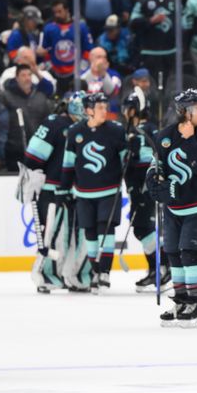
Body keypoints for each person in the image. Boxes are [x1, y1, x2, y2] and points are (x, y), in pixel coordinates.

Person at [145, 89, 197, 327]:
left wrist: (188, 140)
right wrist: (153, 181)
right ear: (182, 111)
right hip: (174, 206)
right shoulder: (164, 135)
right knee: (173, 253)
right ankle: (181, 300)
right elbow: (155, 164)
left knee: (190, 252)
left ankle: (196, 306)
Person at [60, 92, 127, 293]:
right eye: (99, 108)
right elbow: (68, 163)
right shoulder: (75, 132)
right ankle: (95, 271)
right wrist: (63, 188)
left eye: (105, 107)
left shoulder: (115, 131)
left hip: (109, 191)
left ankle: (105, 272)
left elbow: (126, 160)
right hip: (84, 193)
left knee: (104, 229)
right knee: (89, 232)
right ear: (88, 110)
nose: (104, 111)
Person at [21, 92, 85, 293]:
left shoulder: (84, 128)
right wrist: (34, 177)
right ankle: (45, 275)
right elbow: (32, 157)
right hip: (51, 191)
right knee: (51, 236)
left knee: (71, 237)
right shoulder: (54, 124)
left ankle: (68, 274)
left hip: (73, 191)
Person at [122, 92, 169, 293]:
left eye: (128, 107)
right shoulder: (134, 130)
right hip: (136, 187)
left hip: (144, 186)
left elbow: (147, 161)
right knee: (141, 227)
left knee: (142, 226)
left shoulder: (145, 130)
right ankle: (158, 268)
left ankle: (162, 267)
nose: (125, 112)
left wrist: (142, 184)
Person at [0, 63, 54, 171]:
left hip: (36, 150)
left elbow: (48, 124)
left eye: (29, 75)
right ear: (17, 78)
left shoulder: (40, 97)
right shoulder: (6, 96)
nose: (27, 78)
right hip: (13, 151)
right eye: (23, 75)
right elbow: (1, 124)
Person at [38, 0, 94, 96]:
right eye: (55, 12)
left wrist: (83, 66)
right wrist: (48, 64)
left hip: (75, 72)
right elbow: (45, 50)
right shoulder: (49, 29)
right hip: (56, 72)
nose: (57, 15)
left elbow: (88, 48)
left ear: (67, 10)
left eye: (60, 11)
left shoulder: (80, 27)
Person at [129, 0, 176, 80]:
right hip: (149, 50)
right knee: (150, 81)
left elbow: (182, 23)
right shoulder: (143, 1)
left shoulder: (173, 1)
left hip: (170, 50)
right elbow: (133, 22)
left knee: (169, 81)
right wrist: (150, 21)